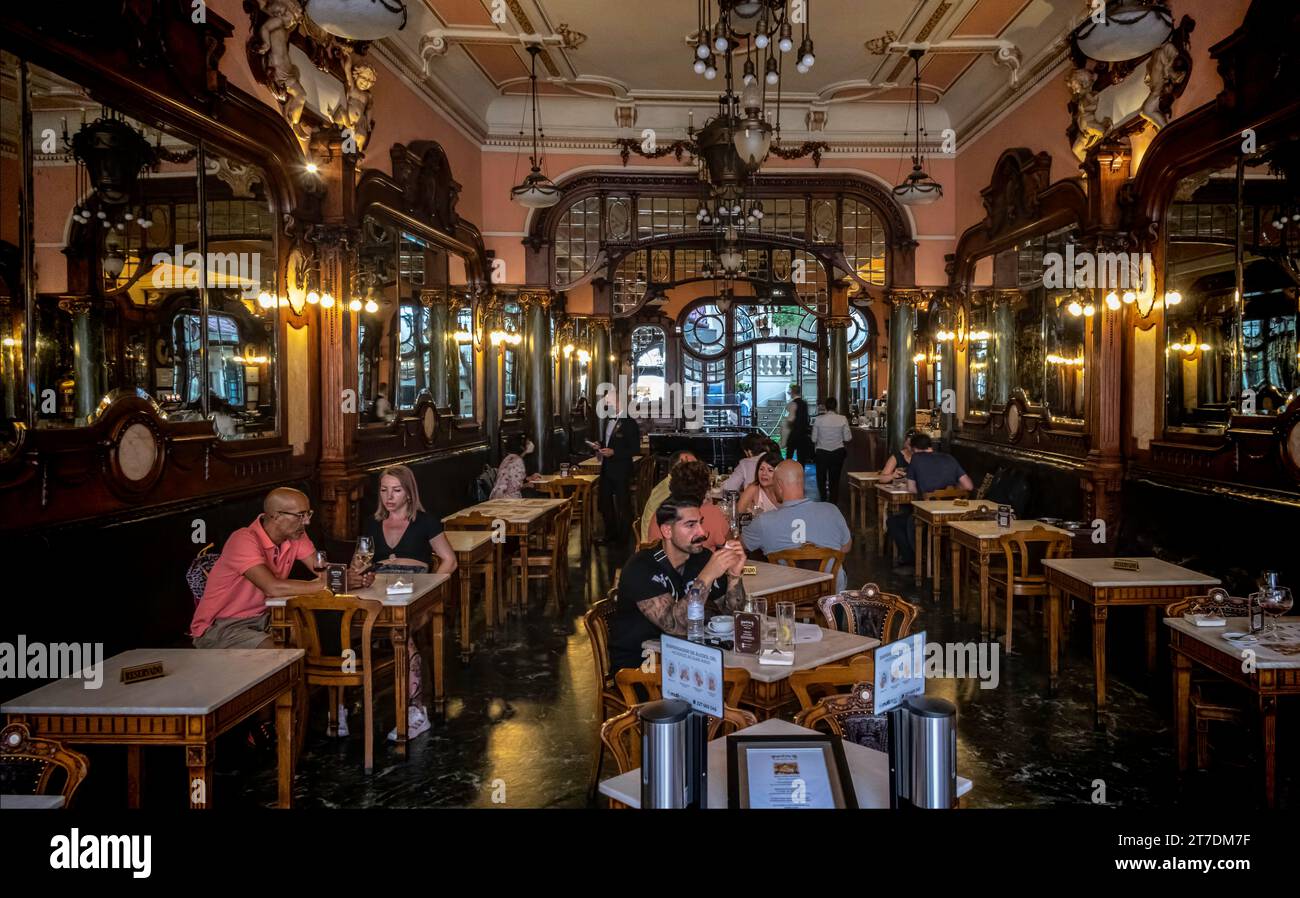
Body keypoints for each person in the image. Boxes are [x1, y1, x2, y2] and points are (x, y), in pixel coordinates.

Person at [192, 487, 374, 648]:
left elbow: (322, 570)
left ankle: (329, 685)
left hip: (267, 617)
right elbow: (273, 587)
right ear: (276, 516)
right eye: (300, 516)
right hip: (221, 626)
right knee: (281, 657)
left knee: (315, 641)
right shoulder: (243, 539)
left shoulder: (295, 535)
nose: (307, 522)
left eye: (308, 514)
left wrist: (353, 576)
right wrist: (328, 584)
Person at [362, 465, 457, 741]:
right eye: (383, 490)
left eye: (396, 490)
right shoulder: (372, 524)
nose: (389, 496)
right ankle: (340, 709)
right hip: (378, 587)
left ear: (408, 492)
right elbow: (360, 561)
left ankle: (416, 711)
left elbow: (449, 560)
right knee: (343, 626)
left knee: (401, 634)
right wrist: (358, 568)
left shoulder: (426, 522)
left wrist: (429, 587)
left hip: (414, 587)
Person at [609, 496, 749, 672]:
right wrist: (706, 576)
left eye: (700, 523)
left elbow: (732, 617)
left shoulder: (702, 558)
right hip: (643, 669)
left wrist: (734, 575)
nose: (702, 532)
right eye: (691, 525)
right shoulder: (641, 568)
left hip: (689, 660)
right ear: (667, 531)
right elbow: (676, 627)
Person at [741, 460, 852, 590]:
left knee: (749, 569)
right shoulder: (832, 510)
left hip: (787, 597)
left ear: (779, 485)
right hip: (831, 597)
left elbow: (739, 546)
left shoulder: (763, 522)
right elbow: (846, 547)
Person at [885, 433, 974, 568]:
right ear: (930, 446)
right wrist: (951, 489)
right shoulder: (949, 458)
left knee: (895, 521)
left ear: (914, 449)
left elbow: (912, 489)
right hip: (955, 515)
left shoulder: (916, 459)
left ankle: (914, 559)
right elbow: (969, 486)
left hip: (928, 516)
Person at [592, 390, 641, 545]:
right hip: (607, 468)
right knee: (604, 502)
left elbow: (634, 449)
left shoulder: (629, 422)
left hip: (621, 469)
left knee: (623, 504)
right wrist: (599, 445)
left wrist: (614, 452)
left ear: (617, 402)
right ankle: (610, 535)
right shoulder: (609, 420)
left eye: (608, 402)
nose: (606, 404)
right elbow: (609, 441)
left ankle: (624, 538)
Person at [643, 459, 728, 548]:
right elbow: (730, 545)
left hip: (661, 560)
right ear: (706, 488)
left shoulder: (660, 514)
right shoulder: (712, 513)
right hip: (703, 562)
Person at [639, 449, 697, 542]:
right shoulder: (670, 492)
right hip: (656, 546)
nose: (696, 470)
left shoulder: (670, 484)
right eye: (690, 467)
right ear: (676, 469)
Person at [812, 396, 853, 504]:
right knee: (834, 479)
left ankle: (823, 499)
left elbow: (813, 438)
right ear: (836, 406)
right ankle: (833, 502)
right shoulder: (842, 419)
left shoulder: (818, 420)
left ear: (825, 406)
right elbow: (847, 438)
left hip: (822, 453)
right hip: (837, 453)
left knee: (821, 478)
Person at [490, 435, 540, 499]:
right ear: (522, 447)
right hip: (507, 499)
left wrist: (529, 478)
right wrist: (527, 485)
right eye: (527, 443)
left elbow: (512, 478)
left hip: (498, 496)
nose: (531, 444)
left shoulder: (509, 458)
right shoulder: (517, 461)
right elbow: (514, 487)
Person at [738, 450, 784, 516]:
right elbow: (738, 514)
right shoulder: (753, 488)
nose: (764, 473)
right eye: (761, 469)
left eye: (770, 470)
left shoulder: (786, 491)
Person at [780, 384, 813, 464]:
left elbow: (790, 419)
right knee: (801, 457)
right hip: (803, 434)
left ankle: (788, 471)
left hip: (793, 433)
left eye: (790, 392)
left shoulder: (792, 404)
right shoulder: (804, 403)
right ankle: (801, 472)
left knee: (789, 456)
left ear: (793, 392)